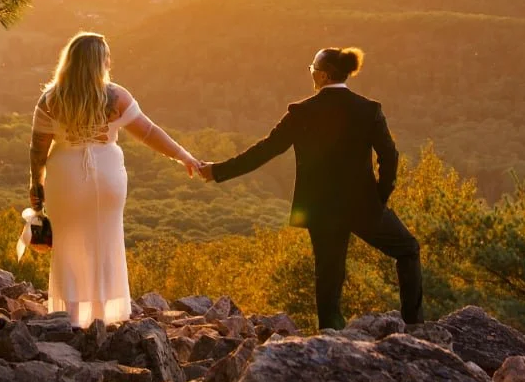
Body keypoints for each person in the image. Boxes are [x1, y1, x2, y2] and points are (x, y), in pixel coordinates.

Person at [198, 46, 419, 330]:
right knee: (408, 250)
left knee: (328, 272)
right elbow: (390, 157)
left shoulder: (301, 112)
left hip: (320, 208)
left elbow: (265, 150)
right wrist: (379, 198)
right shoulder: (368, 109)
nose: (311, 73)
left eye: (312, 69)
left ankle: (330, 334)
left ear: (324, 76)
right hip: (363, 205)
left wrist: (217, 171)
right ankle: (414, 325)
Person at [29, 32, 200, 327]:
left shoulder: (50, 99)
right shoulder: (116, 97)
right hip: (107, 177)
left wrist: (36, 190)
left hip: (66, 178)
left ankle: (69, 319)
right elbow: (149, 133)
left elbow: (38, 150)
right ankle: (104, 319)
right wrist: (184, 156)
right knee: (106, 243)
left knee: (68, 247)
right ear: (100, 63)